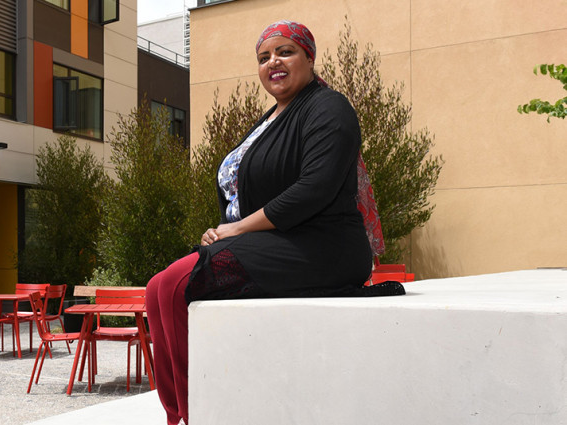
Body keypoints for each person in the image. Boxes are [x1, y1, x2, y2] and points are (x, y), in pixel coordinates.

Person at [145, 20, 400, 425]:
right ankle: (176, 414)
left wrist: (237, 229)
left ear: (309, 57)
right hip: (275, 242)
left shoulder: (328, 107)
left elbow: (315, 187)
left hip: (320, 246)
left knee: (177, 283)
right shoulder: (271, 118)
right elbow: (251, 189)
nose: (273, 62)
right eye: (264, 57)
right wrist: (223, 228)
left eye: (285, 52)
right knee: (157, 287)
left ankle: (193, 414)